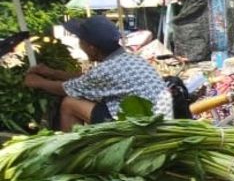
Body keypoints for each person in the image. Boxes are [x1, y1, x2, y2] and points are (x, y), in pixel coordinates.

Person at [24, 15, 172, 130]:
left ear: (92, 48)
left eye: (80, 40)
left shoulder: (106, 69)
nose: (79, 44)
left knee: (69, 103)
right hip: (156, 119)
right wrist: (51, 72)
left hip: (142, 127)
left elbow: (67, 89)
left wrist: (37, 82)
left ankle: (69, 154)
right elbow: (86, 79)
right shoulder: (129, 58)